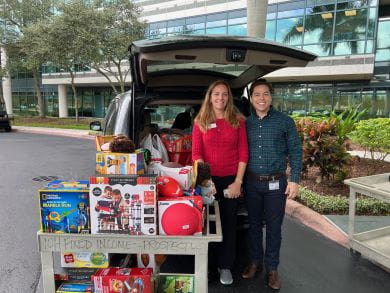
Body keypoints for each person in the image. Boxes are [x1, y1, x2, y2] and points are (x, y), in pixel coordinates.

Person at [241, 79, 302, 290]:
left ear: (271, 96)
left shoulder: (285, 121)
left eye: (265, 94)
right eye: (257, 94)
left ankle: (273, 269)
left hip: (277, 183)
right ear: (251, 98)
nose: (261, 98)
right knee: (254, 226)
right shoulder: (245, 123)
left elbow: (296, 150)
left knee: (275, 228)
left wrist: (294, 180)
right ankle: (256, 262)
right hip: (251, 183)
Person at [192, 80, 248, 285]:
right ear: (210, 96)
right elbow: (196, 153)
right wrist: (205, 179)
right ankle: (205, 266)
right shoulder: (200, 121)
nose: (220, 98)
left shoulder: (238, 121)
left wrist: (238, 182)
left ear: (229, 97)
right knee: (205, 225)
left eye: (224, 94)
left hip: (230, 181)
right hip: (207, 181)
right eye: (216, 94)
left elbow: (243, 154)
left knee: (228, 224)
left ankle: (225, 266)